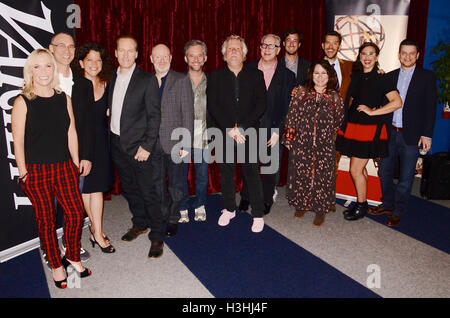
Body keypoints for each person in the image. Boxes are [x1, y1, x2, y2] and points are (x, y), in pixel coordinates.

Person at [12, 49, 92, 289]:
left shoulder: (63, 98)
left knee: (76, 214)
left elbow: (71, 131)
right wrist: (23, 172)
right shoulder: (22, 101)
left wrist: (76, 160)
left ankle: (72, 256)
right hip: (36, 171)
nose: (43, 71)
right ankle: (56, 265)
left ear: (53, 69)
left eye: (48, 66)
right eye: (37, 67)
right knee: (46, 220)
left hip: (65, 166)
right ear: (30, 71)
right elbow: (17, 142)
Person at [369, 39, 437, 226]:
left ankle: (398, 211)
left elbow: (430, 108)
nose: (407, 56)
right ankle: (387, 204)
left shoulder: (427, 77)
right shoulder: (389, 77)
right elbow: (382, 107)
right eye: (403, 53)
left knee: (406, 178)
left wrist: (427, 135)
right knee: (384, 172)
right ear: (398, 55)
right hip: (389, 133)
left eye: (411, 53)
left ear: (417, 55)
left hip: (412, 136)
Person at [109, 35, 163, 258]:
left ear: (138, 54)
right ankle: (140, 224)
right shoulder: (111, 77)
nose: (126, 55)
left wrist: (147, 146)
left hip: (140, 148)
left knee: (148, 192)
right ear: (115, 53)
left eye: (130, 51)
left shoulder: (147, 79)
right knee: (130, 190)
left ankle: (157, 236)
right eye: (121, 50)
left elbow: (154, 116)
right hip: (116, 144)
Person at [335, 42, 402, 221]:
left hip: (369, 130)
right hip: (354, 127)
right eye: (364, 54)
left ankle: (362, 205)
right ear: (360, 56)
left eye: (371, 54)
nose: (367, 57)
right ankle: (361, 202)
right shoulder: (355, 76)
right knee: (360, 169)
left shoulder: (382, 78)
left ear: (377, 57)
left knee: (355, 170)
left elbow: (397, 102)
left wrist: (373, 111)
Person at [207, 35, 267, 233]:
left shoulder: (256, 75)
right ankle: (229, 208)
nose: (234, 52)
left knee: (251, 172)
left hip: (248, 131)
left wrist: (241, 127)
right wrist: (229, 129)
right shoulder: (215, 76)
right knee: (226, 173)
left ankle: (258, 213)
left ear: (244, 54)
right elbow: (213, 106)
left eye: (237, 49)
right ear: (224, 54)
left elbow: (261, 104)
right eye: (230, 49)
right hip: (224, 133)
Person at [282, 60, 344, 227]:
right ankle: (301, 206)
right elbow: (292, 116)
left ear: (329, 76)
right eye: (317, 73)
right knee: (301, 173)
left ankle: (320, 210)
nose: (320, 77)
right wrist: (289, 139)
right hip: (302, 142)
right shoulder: (301, 92)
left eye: (324, 73)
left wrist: (325, 134)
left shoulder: (335, 97)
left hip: (324, 144)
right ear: (311, 74)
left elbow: (338, 120)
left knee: (323, 176)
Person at [49, 32, 93, 262]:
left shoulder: (84, 84)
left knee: (73, 205)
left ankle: (71, 243)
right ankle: (50, 248)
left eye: (71, 46)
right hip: (48, 157)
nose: (67, 50)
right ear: (51, 48)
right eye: (61, 46)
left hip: (76, 157)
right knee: (50, 207)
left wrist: (85, 155)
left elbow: (86, 125)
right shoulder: (42, 80)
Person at [239, 33, 296, 215]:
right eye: (264, 45)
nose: (267, 49)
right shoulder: (247, 70)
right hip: (250, 127)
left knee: (270, 167)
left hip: (273, 128)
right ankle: (246, 197)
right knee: (249, 164)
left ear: (279, 50)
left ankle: (265, 200)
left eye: (271, 46)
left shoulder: (287, 76)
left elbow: (289, 107)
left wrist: (279, 131)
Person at [72, 42, 115, 253]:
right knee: (85, 188)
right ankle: (97, 232)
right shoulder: (75, 85)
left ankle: (96, 231)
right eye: (89, 60)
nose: (94, 64)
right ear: (81, 62)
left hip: (101, 142)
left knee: (96, 188)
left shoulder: (107, 83)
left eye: (98, 60)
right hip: (80, 143)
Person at [150, 44, 194, 238]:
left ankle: (174, 219)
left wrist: (186, 144)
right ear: (151, 59)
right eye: (157, 57)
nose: (161, 60)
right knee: (156, 184)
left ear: (170, 57)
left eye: (164, 56)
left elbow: (188, 114)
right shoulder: (146, 81)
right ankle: (160, 217)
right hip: (152, 143)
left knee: (176, 185)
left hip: (176, 142)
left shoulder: (181, 79)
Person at [179, 40, 210, 223]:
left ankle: (200, 204)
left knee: (202, 175)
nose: (196, 59)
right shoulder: (177, 81)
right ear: (186, 58)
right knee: (180, 174)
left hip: (204, 136)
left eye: (199, 55)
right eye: (192, 55)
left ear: (205, 58)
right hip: (181, 136)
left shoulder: (212, 81)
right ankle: (182, 207)